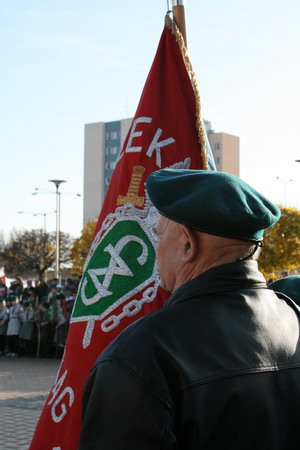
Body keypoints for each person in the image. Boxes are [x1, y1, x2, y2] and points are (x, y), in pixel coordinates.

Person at [79, 169, 300, 450]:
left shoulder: (144, 351)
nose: (156, 250)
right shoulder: (294, 317)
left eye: (159, 236)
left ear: (187, 243)